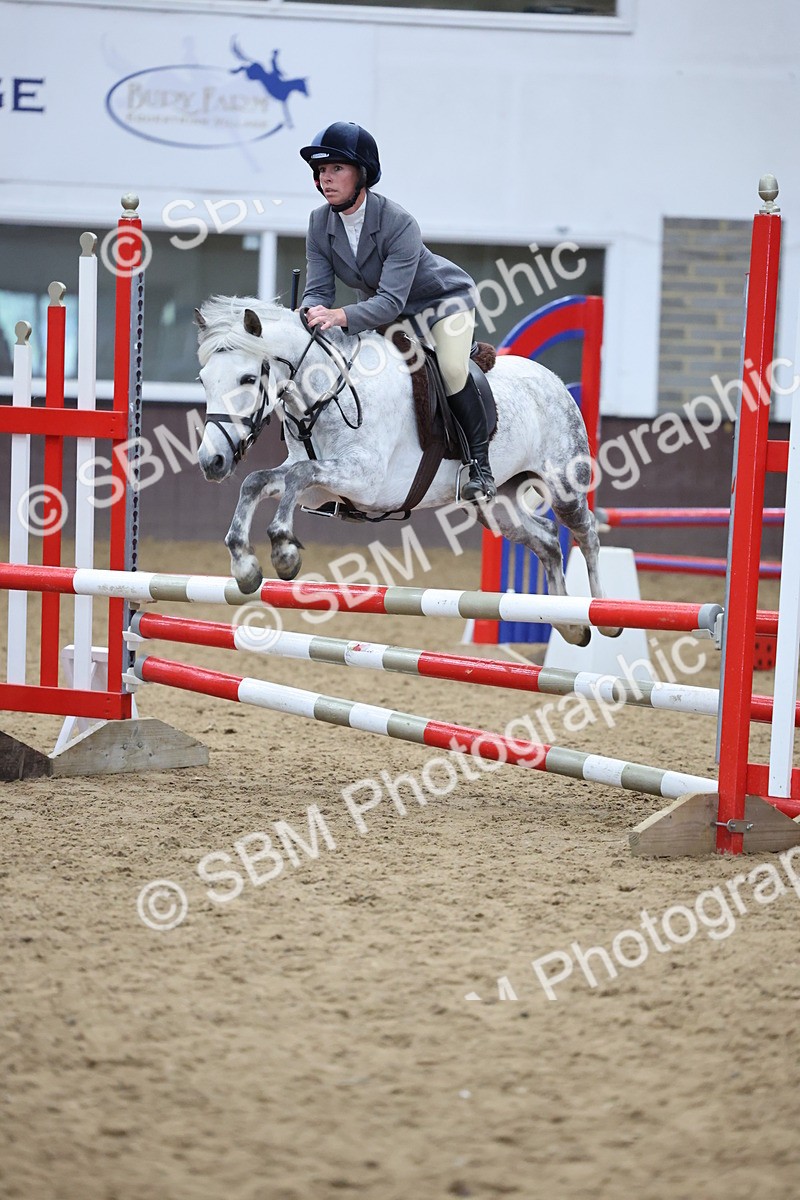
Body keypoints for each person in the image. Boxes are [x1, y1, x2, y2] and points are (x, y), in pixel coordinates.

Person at [299, 121, 496, 503]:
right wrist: (305, 316)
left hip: (442, 304)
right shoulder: (318, 223)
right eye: (322, 171)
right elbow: (319, 291)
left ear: (363, 173)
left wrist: (339, 316)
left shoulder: (398, 222)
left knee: (453, 370)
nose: (327, 178)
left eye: (337, 168)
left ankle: (479, 467)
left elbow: (389, 300)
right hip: (386, 312)